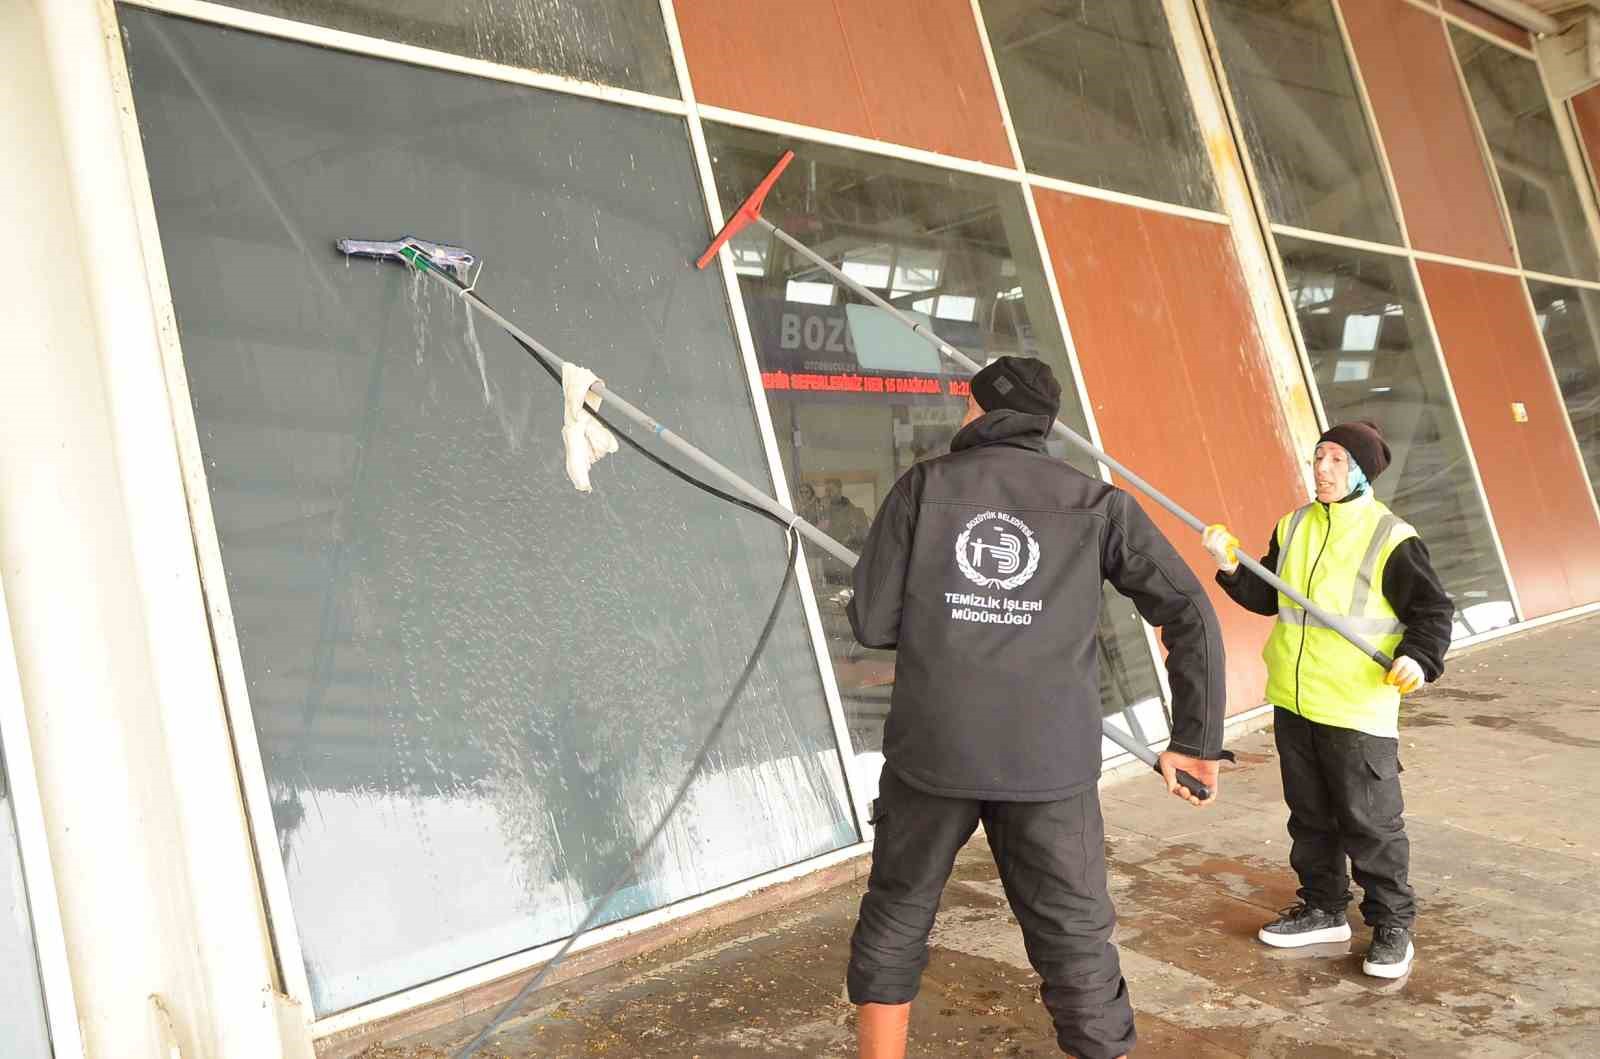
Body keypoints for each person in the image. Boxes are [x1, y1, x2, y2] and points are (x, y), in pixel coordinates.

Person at [845, 355, 1231, 1059]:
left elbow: (870, 621)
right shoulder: (1097, 502)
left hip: (934, 752)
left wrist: (949, 619)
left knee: (898, 912)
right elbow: (1191, 612)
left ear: (980, 408)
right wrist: (1194, 740)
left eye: (967, 401)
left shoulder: (924, 486)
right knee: (1075, 939)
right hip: (1048, 763)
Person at [1201, 420, 1453, 980]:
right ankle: (1322, 909)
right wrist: (1230, 565)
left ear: (1362, 471)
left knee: (1369, 822)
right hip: (1294, 700)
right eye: (1319, 457)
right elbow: (1269, 598)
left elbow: (1433, 612)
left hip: (1356, 705)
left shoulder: (1392, 537)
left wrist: (1419, 656)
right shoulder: (1294, 525)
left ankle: (1391, 926)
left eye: (1338, 460)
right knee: (1311, 817)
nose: (1322, 469)